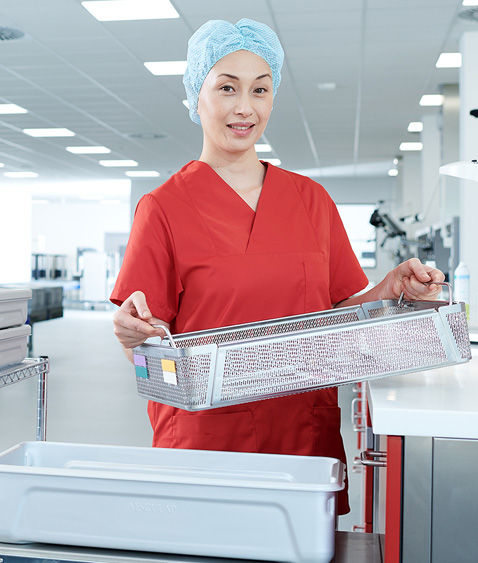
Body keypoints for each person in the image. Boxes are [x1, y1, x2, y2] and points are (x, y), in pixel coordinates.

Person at [109, 19, 443, 514]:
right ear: (195, 95)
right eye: (227, 87)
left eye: (260, 90)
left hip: (301, 442)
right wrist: (132, 338)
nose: (245, 107)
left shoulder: (310, 200)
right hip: (205, 446)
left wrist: (392, 292)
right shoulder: (163, 208)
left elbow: (338, 314)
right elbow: (147, 345)